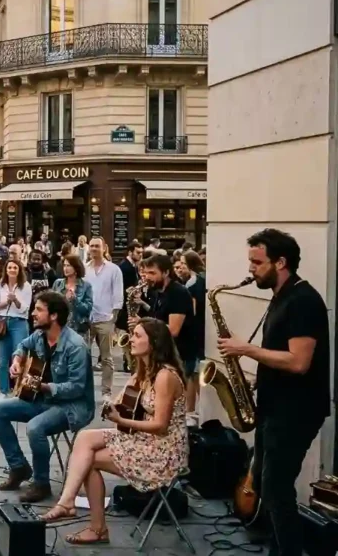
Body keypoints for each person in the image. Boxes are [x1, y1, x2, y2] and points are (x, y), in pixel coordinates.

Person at [217, 229, 330, 556]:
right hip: (274, 407)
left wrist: (246, 349)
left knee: (278, 491)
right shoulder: (281, 296)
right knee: (268, 487)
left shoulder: (303, 300)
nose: (250, 268)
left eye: (257, 262)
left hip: (295, 412)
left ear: (281, 262)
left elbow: (299, 362)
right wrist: (259, 377)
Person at [41, 318, 186, 546]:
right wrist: (113, 406)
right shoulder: (145, 370)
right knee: (85, 437)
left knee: (88, 461)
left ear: (155, 342)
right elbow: (128, 401)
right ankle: (68, 502)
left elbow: (161, 426)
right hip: (144, 439)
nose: (132, 340)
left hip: (162, 451)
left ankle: (93, 526)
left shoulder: (165, 376)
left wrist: (121, 419)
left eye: (138, 336)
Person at [0, 291, 95, 503]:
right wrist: (17, 361)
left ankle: (41, 483)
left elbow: (77, 388)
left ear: (54, 316)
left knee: (35, 427)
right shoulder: (39, 336)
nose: (33, 314)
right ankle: (18, 467)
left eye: (38, 309)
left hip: (71, 407)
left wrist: (44, 386)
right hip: (41, 400)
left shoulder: (76, 346)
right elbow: (22, 346)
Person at [131, 254, 196, 425]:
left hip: (179, 354)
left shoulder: (178, 293)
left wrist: (143, 325)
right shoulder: (158, 292)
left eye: (152, 273)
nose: (147, 278)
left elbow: (173, 330)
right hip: (162, 354)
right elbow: (157, 319)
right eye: (145, 273)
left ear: (166, 272)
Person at [85, 237, 123, 396]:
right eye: (91, 246)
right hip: (87, 319)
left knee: (107, 358)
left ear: (104, 248)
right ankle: (84, 390)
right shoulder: (84, 269)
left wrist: (113, 317)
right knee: (83, 357)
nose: (94, 249)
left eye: (97, 246)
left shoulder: (114, 269)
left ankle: (106, 392)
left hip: (106, 318)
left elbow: (118, 295)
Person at [0, 259, 32, 395]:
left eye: (15, 268)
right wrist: (5, 303)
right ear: (5, 270)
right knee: (1, 360)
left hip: (18, 322)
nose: (12, 270)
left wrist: (15, 300)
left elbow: (25, 309)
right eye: (9, 268)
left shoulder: (25, 286)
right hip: (1, 322)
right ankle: (4, 392)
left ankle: (18, 390)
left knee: (18, 358)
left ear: (19, 270)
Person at [174, 250, 207, 424]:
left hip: (194, 337)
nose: (179, 268)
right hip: (198, 336)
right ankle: (194, 411)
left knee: (192, 374)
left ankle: (192, 411)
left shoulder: (193, 285)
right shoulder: (198, 281)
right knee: (194, 375)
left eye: (183, 264)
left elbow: (191, 313)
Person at [51, 254, 94, 341]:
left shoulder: (86, 286)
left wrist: (75, 300)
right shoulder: (58, 284)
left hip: (79, 329)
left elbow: (87, 309)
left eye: (69, 266)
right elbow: (51, 306)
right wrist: (63, 299)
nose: (65, 268)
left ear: (76, 268)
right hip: (60, 328)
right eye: (64, 265)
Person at [115, 242, 143, 372]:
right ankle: (128, 361)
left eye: (141, 253)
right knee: (127, 333)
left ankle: (130, 361)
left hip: (131, 306)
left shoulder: (134, 266)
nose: (140, 255)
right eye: (138, 252)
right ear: (130, 252)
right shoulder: (124, 267)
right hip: (126, 307)